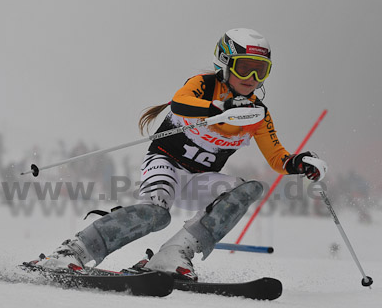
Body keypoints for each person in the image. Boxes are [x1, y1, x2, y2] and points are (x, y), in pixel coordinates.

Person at [29, 28, 327, 281]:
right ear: (224, 62)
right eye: (243, 66)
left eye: (260, 70)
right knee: (156, 214)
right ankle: (73, 251)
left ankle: (172, 255)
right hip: (165, 164)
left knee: (246, 189)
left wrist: (300, 163)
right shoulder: (203, 85)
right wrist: (219, 109)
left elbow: (278, 158)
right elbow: (179, 104)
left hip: (200, 180)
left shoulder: (257, 114)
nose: (251, 77)